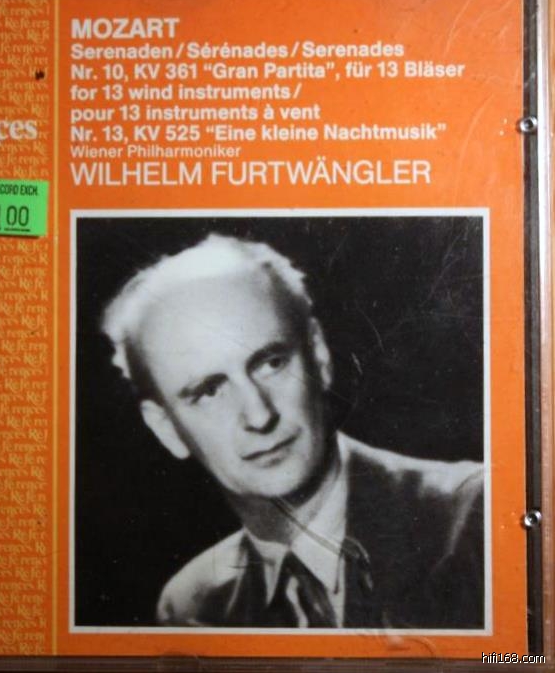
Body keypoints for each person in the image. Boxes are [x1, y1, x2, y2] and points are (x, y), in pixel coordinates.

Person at [100, 233, 484, 629]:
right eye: (210, 390)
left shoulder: (479, 519)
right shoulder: (191, 609)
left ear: (319, 355)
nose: (258, 415)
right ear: (166, 429)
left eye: (271, 363)